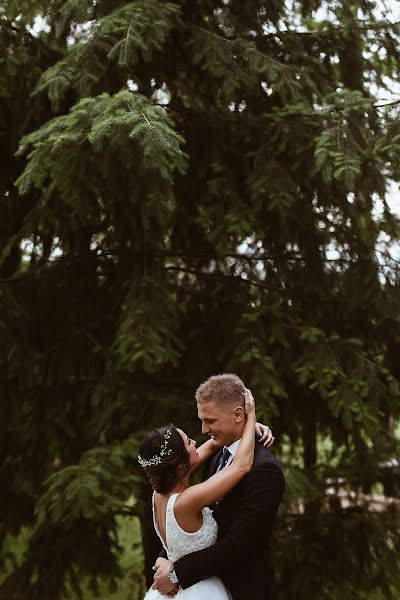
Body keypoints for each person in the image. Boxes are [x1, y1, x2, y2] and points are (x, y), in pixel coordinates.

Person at [152, 373, 285, 600]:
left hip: (242, 590)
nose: (203, 430)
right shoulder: (216, 455)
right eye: (202, 420)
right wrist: (167, 557)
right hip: (201, 588)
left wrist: (177, 573)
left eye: (211, 421)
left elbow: (239, 544)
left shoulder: (264, 470)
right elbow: (192, 525)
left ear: (237, 414)